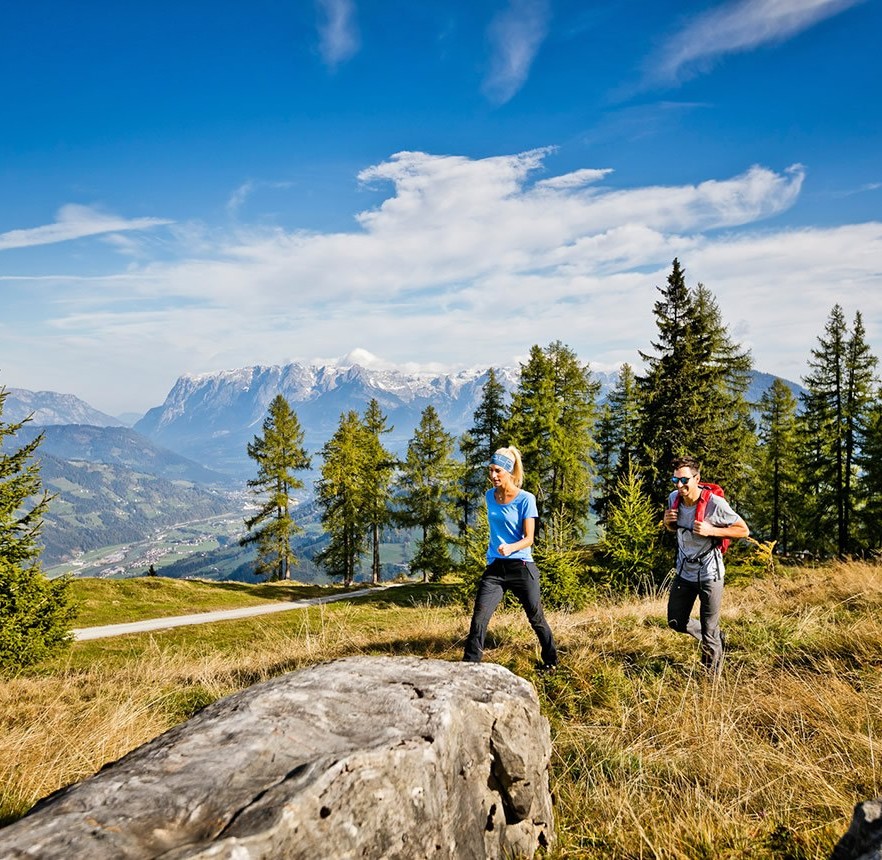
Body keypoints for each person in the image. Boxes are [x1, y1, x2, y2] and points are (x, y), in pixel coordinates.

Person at [462, 447, 558, 671]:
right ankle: (468, 667)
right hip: (495, 568)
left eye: (498, 471)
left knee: (536, 618)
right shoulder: (489, 496)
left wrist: (511, 547)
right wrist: (497, 551)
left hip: (521, 566)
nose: (493, 476)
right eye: (490, 470)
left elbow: (529, 538)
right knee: (479, 619)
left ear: (510, 472)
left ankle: (551, 661)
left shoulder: (526, 499)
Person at [662, 455, 749, 674]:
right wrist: (667, 523)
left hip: (710, 574)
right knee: (675, 620)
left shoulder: (714, 503)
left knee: (709, 630)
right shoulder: (674, 498)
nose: (679, 486)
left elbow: (743, 530)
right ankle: (714, 637)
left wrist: (712, 530)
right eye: (675, 481)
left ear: (697, 478)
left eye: (684, 480)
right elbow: (676, 529)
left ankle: (710, 684)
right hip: (684, 572)